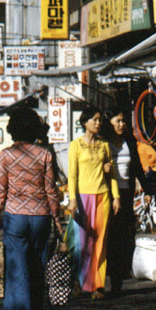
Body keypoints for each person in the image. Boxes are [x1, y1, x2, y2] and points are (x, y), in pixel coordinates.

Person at [0, 108, 62, 310]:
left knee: (17, 271)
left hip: (15, 218)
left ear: (13, 129)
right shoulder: (45, 155)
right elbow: (51, 192)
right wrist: (58, 222)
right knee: (37, 269)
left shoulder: (6, 155)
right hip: (41, 218)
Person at [67, 107, 120, 299]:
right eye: (94, 120)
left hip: (102, 196)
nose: (98, 123)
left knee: (100, 242)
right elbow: (72, 175)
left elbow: (112, 174)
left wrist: (116, 197)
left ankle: (98, 285)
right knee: (82, 243)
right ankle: (80, 282)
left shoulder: (104, 145)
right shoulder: (75, 145)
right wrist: (73, 200)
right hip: (82, 198)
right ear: (85, 122)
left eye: (99, 120)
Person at [102, 107, 146, 295]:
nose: (122, 125)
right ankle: (104, 278)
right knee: (108, 237)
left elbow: (136, 167)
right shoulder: (103, 143)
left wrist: (148, 189)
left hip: (126, 194)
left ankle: (118, 279)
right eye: (117, 121)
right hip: (106, 194)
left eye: (123, 121)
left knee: (125, 237)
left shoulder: (129, 142)